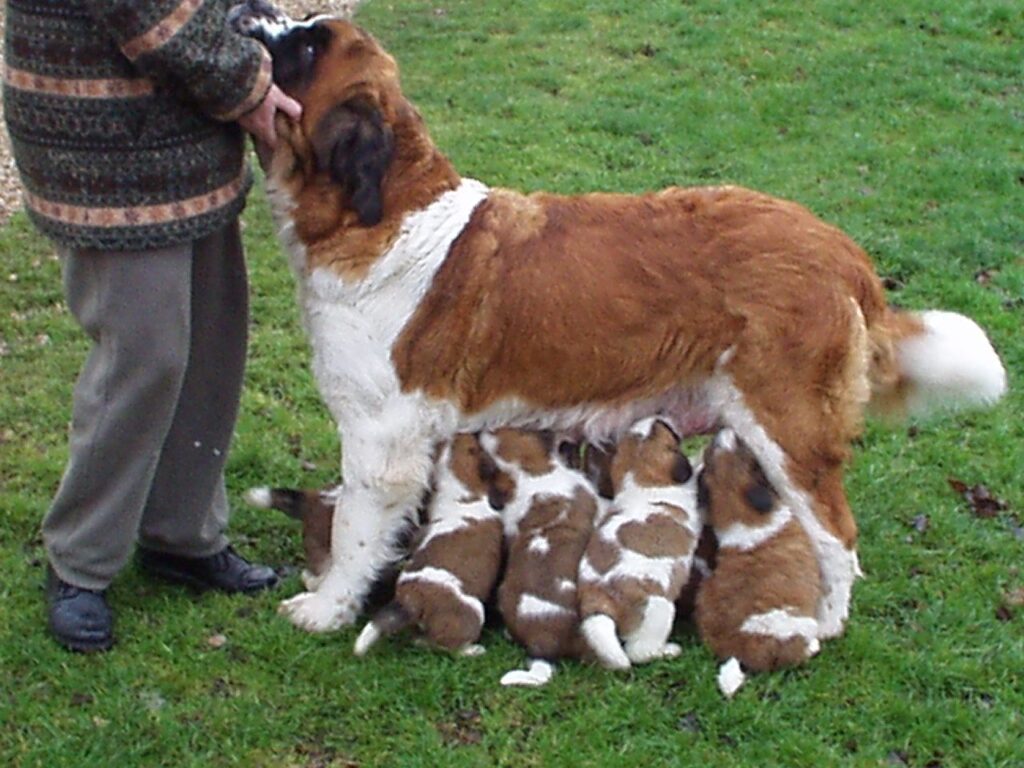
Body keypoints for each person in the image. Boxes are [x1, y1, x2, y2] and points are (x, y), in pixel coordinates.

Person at [2, 0, 302, 652]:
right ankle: (80, 559)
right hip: (106, 147)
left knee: (210, 341)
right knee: (144, 355)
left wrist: (256, 22)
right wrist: (247, 82)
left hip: (187, 137)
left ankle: (180, 533)